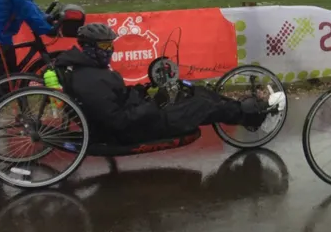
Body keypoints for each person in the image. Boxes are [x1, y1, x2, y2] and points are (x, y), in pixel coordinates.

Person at [54, 23, 278, 144]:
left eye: (110, 45)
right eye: (104, 47)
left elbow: (119, 98)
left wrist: (145, 91)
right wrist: (154, 103)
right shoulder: (91, 81)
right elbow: (119, 121)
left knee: (196, 91)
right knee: (202, 104)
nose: (110, 50)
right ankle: (257, 114)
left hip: (141, 113)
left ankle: (249, 113)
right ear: (90, 48)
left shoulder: (89, 71)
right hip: (139, 128)